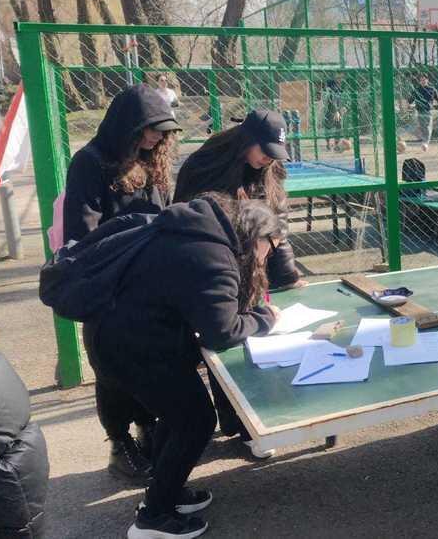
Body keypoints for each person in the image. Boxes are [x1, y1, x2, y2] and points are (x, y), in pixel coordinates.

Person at [81, 195, 282, 538]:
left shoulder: (199, 232)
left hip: (119, 334)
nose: (268, 257)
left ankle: (165, 492)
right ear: (256, 237)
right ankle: (152, 519)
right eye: (271, 247)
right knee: (195, 420)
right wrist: (265, 318)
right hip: (134, 346)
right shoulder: (214, 256)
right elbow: (222, 332)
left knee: (178, 416)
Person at [62, 83, 180, 483]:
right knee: (112, 366)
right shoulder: (90, 162)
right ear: (127, 125)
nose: (156, 138)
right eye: (150, 129)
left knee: (151, 359)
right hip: (109, 281)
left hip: (151, 281)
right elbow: (82, 232)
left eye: (163, 131)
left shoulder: (153, 159)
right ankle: (119, 442)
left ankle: (148, 425)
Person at [173, 109, 303, 458]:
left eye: (274, 155)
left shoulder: (269, 168)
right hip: (211, 264)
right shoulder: (205, 164)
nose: (267, 160)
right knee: (221, 338)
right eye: (264, 151)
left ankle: (248, 424)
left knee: (249, 337)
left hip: (251, 268)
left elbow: (277, 218)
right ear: (247, 140)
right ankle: (234, 420)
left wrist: (284, 267)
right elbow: (186, 215)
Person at [410, 75, 438, 151]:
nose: (423, 81)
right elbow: (410, 100)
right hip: (419, 111)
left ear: (427, 80)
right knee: (422, 127)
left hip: (428, 111)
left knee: (427, 127)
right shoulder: (416, 90)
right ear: (419, 81)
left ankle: (425, 143)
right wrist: (410, 102)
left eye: (424, 79)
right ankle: (424, 141)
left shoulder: (432, 89)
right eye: (421, 80)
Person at [323, 73, 344, 150]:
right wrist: (336, 111)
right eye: (339, 78)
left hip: (335, 109)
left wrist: (342, 107)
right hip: (331, 110)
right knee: (330, 126)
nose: (341, 79)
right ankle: (330, 144)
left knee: (337, 126)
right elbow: (332, 100)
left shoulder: (338, 88)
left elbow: (339, 99)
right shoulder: (332, 88)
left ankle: (334, 144)